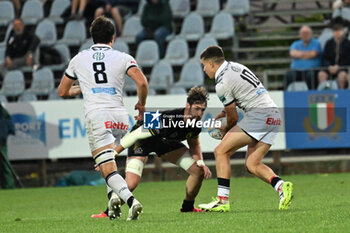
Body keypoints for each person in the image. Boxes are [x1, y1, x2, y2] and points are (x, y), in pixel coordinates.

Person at [58, 16, 148, 221]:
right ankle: (113, 207)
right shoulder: (123, 57)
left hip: (97, 116)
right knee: (112, 164)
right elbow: (142, 82)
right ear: (112, 38)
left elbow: (62, 91)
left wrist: (83, 87)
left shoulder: (79, 58)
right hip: (120, 116)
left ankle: (131, 201)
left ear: (92, 37)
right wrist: (141, 105)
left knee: (106, 167)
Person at [91, 86, 212, 218]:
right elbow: (135, 136)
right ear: (187, 105)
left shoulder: (196, 124)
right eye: (196, 109)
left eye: (202, 110)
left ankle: (187, 207)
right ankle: (107, 213)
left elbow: (194, 144)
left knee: (198, 171)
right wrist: (111, 155)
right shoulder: (167, 118)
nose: (199, 114)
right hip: (142, 140)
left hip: (163, 142)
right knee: (131, 184)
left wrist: (200, 162)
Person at [197, 46, 293, 212]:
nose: (204, 69)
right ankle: (281, 186)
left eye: (204, 65)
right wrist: (224, 114)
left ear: (212, 63)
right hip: (273, 115)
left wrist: (224, 131)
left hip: (259, 116)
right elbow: (243, 95)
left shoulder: (221, 83)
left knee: (221, 151)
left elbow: (233, 118)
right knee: (252, 163)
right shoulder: (236, 66)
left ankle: (222, 200)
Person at [318, 17, 350, 89]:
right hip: (330, 69)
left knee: (342, 75)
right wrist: (329, 66)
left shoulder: (348, 44)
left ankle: (341, 94)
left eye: (339, 30)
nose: (337, 32)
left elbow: (348, 59)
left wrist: (338, 67)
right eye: (335, 30)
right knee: (321, 74)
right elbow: (325, 57)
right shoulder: (329, 43)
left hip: (343, 68)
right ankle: (324, 93)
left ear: (342, 31)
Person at [0, 103, 15, 189]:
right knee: (5, 166)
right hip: (2, 140)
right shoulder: (3, 111)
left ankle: (8, 187)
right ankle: (8, 186)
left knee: (5, 166)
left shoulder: (2, 112)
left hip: (2, 142)